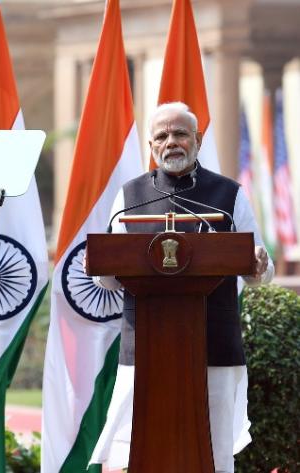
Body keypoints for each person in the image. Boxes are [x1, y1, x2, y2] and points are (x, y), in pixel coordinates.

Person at [89, 102, 273, 473]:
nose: (171, 142)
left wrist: (260, 264)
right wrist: (97, 267)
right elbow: (106, 278)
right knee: (140, 451)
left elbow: (259, 271)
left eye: (180, 133)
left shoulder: (229, 195)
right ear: (151, 146)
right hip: (145, 346)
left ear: (197, 140)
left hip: (213, 344)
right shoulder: (129, 196)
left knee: (213, 453)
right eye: (162, 136)